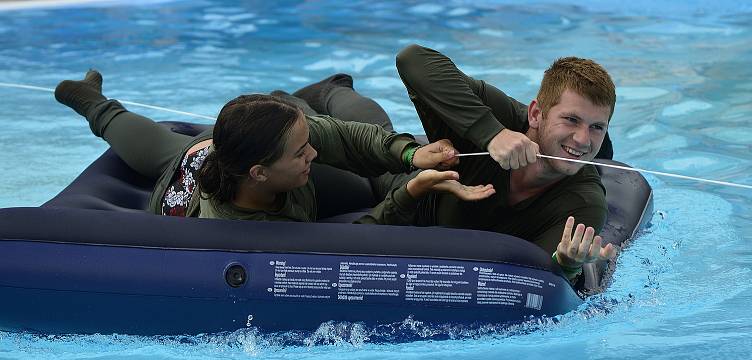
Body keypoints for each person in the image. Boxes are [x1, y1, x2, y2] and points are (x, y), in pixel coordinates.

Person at [53, 70, 494, 225]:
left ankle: (90, 99)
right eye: (301, 151)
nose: (312, 155)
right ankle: (328, 89)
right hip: (188, 180)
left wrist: (409, 155)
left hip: (215, 154)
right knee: (370, 181)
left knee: (352, 133)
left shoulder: (266, 163)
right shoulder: (244, 228)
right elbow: (359, 233)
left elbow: (340, 137)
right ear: (260, 171)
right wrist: (410, 191)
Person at [384, 44, 618, 282]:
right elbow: (412, 59)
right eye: (571, 120)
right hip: (402, 186)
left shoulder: (585, 203)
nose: (582, 139)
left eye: (597, 127)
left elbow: (542, 286)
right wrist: (491, 134)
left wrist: (567, 266)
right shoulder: (500, 116)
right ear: (536, 114)